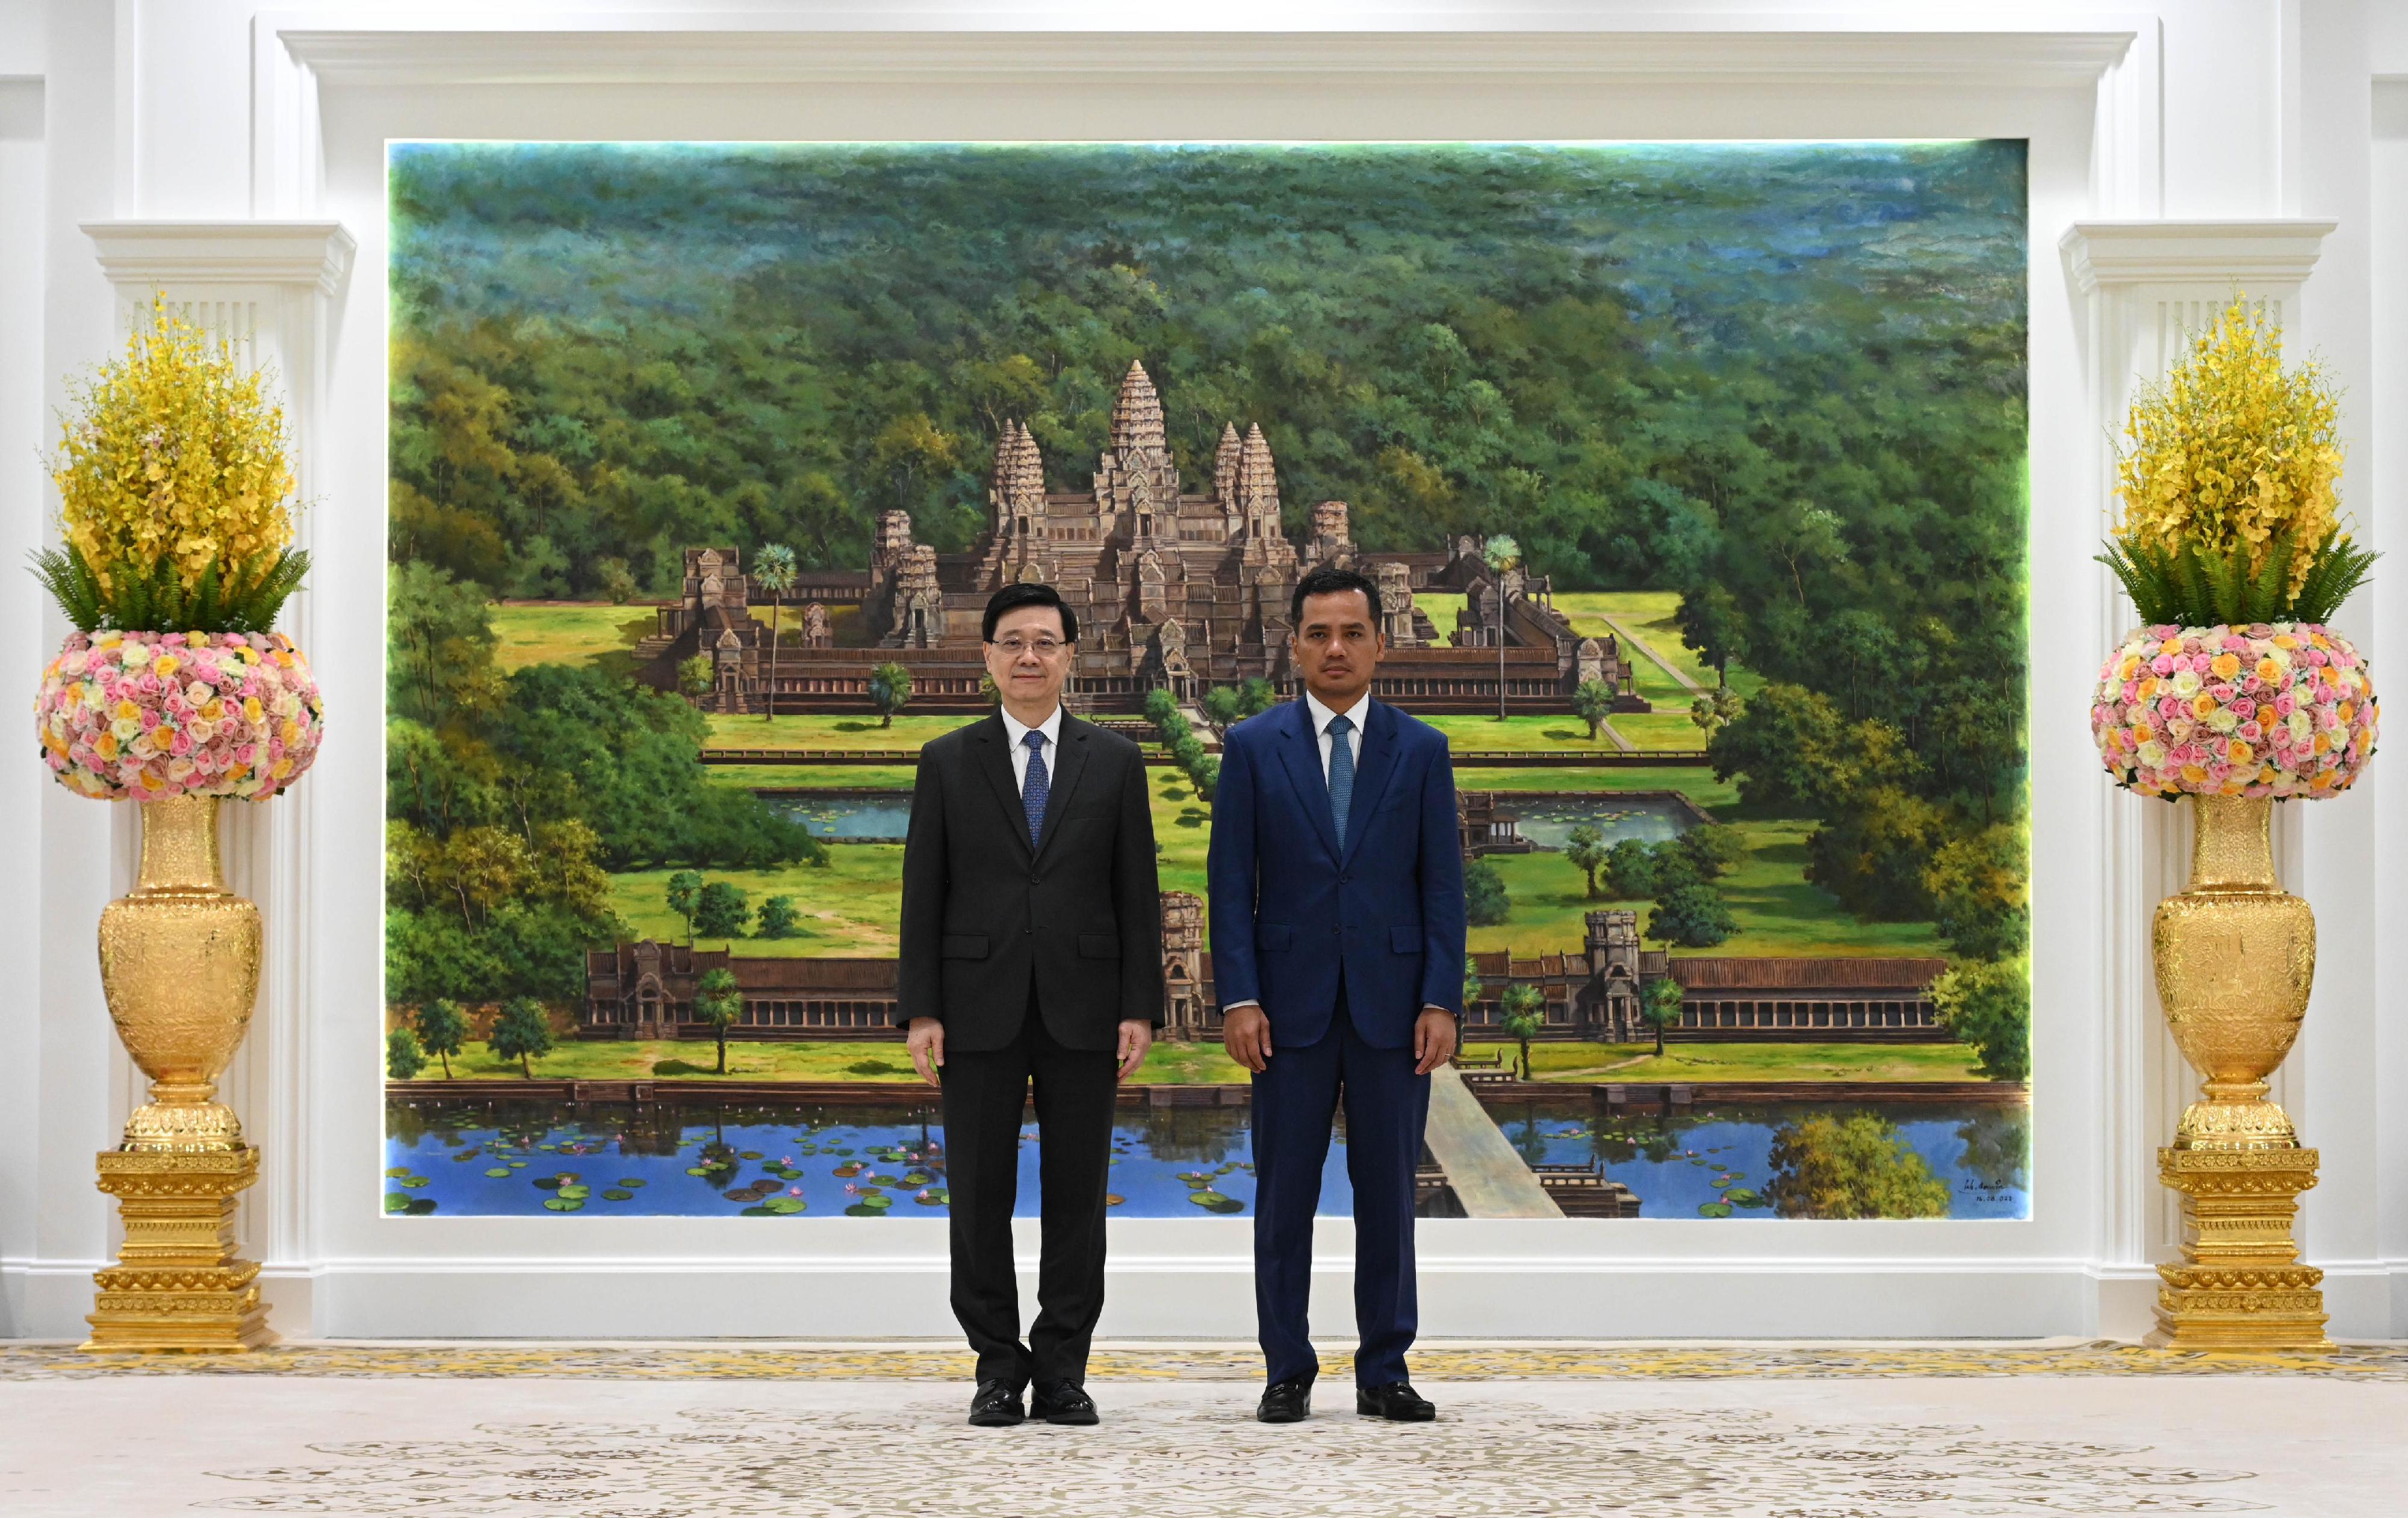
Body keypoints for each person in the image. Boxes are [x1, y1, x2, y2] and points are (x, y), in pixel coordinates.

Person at [897, 582, 1164, 1428]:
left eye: (1045, 642)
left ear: (1070, 657)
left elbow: (1137, 895)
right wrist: (922, 1008)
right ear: (987, 657)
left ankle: (1061, 1368)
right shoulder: (947, 759)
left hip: (1086, 1007)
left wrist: (1140, 1005)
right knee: (978, 1195)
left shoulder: (1116, 761)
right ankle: (995, 1367)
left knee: (1077, 1197)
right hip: (975, 1006)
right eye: (1012, 642)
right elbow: (923, 893)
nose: (1029, 657)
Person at [1206, 564, 1466, 1425]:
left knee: (1389, 1195)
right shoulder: (1251, 747)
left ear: (1380, 644)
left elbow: (1441, 890)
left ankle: (1384, 1366)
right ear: (1294, 645)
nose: (1336, 648)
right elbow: (1229, 888)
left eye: (1353, 632)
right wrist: (1239, 997)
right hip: (1286, 1009)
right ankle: (1287, 1366)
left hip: (1396, 1010)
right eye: (1319, 633)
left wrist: (1441, 999)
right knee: (1286, 1195)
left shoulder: (1422, 750)